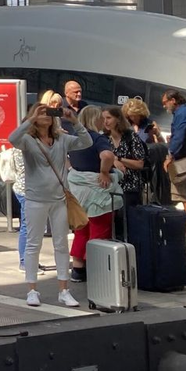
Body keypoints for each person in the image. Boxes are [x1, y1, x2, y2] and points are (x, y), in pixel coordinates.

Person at [8, 100, 90, 308]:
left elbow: (86, 142)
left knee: (61, 244)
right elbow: (12, 139)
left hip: (59, 199)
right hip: (35, 199)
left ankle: (64, 290)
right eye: (41, 112)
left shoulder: (62, 138)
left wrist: (74, 120)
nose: (45, 115)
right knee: (33, 244)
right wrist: (31, 120)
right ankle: (32, 290)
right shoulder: (28, 140)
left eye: (48, 112)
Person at [66, 106, 120, 283]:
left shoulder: (74, 139)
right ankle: (96, 268)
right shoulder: (98, 138)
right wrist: (104, 172)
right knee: (99, 229)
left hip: (77, 189)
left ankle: (77, 270)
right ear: (95, 119)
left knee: (81, 230)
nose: (103, 122)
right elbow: (107, 155)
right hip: (97, 190)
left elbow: (65, 159)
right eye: (101, 118)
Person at [162, 89, 186, 238]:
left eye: (165, 103)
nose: (164, 106)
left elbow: (180, 135)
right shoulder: (185, 112)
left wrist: (170, 155)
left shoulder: (182, 114)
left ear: (173, 100)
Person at [103, 104, 146, 208]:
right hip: (110, 187)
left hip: (130, 187)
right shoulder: (103, 138)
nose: (105, 121)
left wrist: (118, 159)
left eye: (108, 118)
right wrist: (113, 161)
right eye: (103, 118)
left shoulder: (131, 136)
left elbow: (140, 164)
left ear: (118, 119)